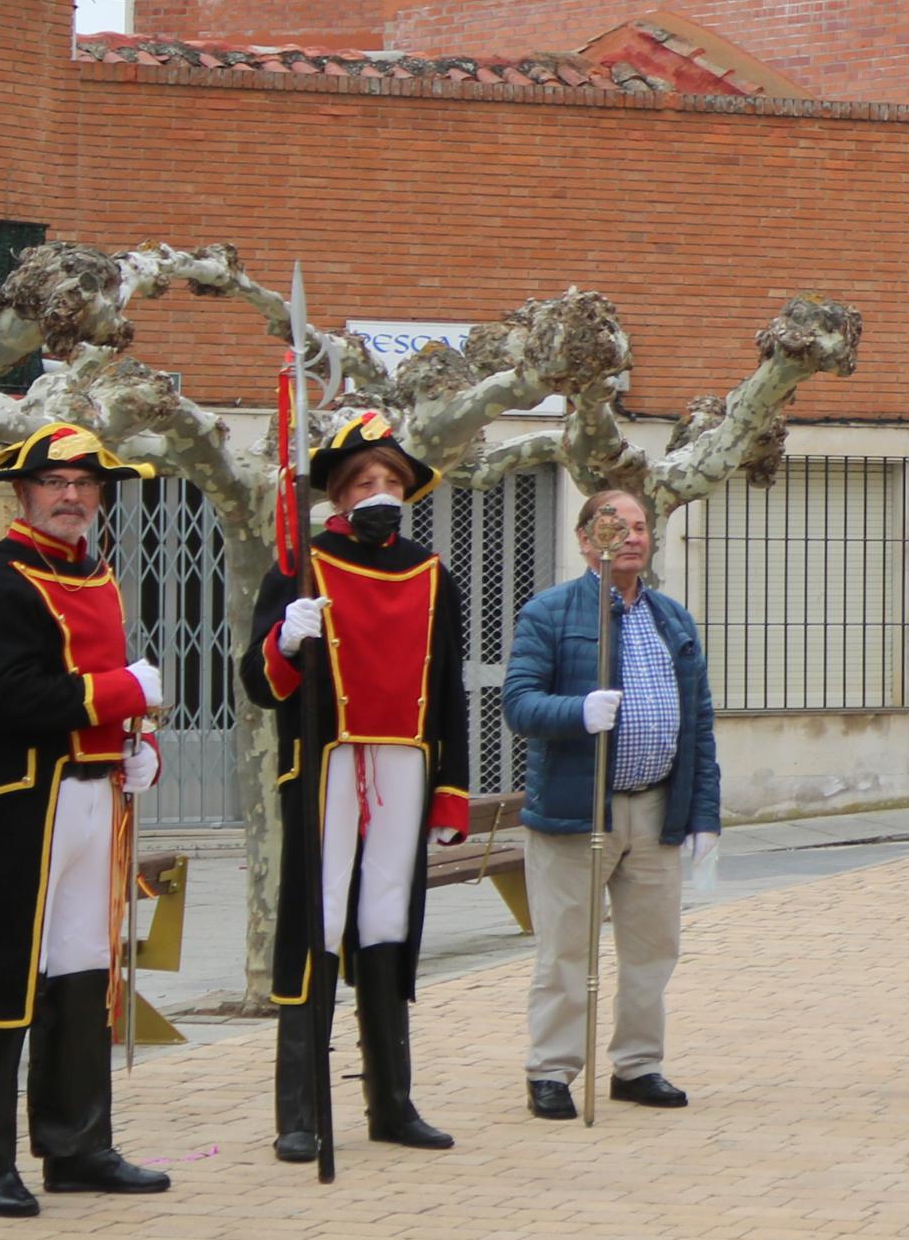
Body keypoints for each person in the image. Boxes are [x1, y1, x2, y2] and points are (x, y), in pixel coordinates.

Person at [0, 424, 172, 1217]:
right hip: (17, 803)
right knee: (2, 981)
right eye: (55, 482)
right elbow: (5, 698)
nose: (71, 495)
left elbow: (102, 691)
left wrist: (137, 749)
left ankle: (78, 1144)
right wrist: (122, 695)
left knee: (81, 972)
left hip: (90, 793)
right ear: (24, 492)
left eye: (84, 482)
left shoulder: (97, 572)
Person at [241, 414, 471, 1158]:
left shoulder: (434, 572)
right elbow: (258, 682)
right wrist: (286, 637)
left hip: (404, 760)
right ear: (339, 494)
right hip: (327, 760)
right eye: (367, 482)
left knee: (386, 922)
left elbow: (449, 692)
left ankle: (391, 1100)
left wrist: (451, 792)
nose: (383, 494)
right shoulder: (298, 566)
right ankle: (299, 1110)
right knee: (319, 917)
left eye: (393, 482)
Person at [504, 484, 723, 1118]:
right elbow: (518, 703)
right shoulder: (551, 613)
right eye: (615, 524)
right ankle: (551, 1069)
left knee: (653, 948)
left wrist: (704, 813)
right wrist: (578, 712)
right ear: (585, 538)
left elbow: (698, 722)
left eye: (641, 525)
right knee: (567, 948)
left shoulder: (672, 618)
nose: (631, 535)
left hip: (656, 810)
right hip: (578, 811)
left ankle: (637, 1064)